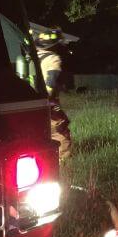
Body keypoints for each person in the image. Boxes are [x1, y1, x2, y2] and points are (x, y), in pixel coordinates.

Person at [34, 28, 72, 161]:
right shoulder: (53, 59)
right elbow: (50, 83)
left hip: (29, 103)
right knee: (59, 131)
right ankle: (62, 161)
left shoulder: (31, 57)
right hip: (47, 103)